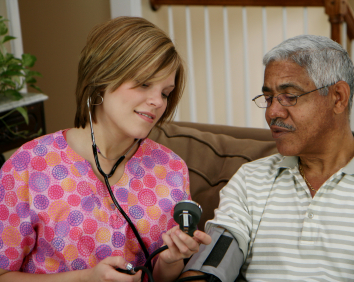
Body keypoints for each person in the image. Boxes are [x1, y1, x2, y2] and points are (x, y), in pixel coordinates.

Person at [179, 35, 354, 281]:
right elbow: (210, 267)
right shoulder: (249, 179)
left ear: (338, 97)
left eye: (290, 96)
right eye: (268, 98)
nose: (273, 112)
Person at [0, 17, 211, 282]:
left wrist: (170, 260)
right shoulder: (28, 165)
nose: (157, 101)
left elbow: (160, 277)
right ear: (101, 78)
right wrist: (83, 279)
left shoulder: (171, 169)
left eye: (166, 92)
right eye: (144, 83)